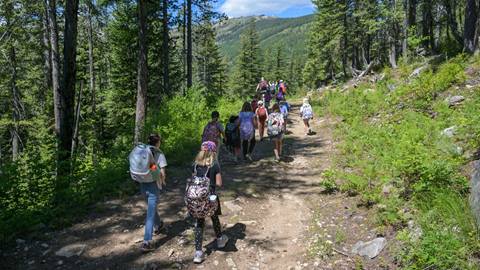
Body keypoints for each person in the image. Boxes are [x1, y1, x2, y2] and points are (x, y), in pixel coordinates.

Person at [192, 141, 229, 263]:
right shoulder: (214, 165)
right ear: (213, 152)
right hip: (210, 197)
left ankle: (198, 252)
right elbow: (219, 183)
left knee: (199, 221)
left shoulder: (195, 165)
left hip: (196, 199)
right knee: (214, 218)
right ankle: (220, 239)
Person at [138, 134, 167, 252]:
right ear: (158, 142)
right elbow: (162, 172)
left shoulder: (142, 152)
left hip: (142, 184)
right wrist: (163, 181)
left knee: (152, 208)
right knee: (150, 212)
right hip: (153, 185)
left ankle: (158, 225)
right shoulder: (159, 154)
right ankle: (147, 242)